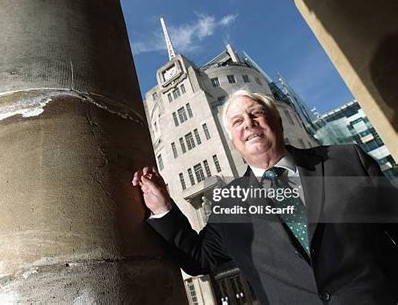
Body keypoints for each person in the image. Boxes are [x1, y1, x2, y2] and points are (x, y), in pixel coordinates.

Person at [132, 90, 397, 304]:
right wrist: (163, 207)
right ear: (233, 141)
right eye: (237, 122)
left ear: (277, 122)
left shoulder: (346, 160)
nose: (248, 123)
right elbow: (198, 258)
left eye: (256, 113)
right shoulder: (230, 201)